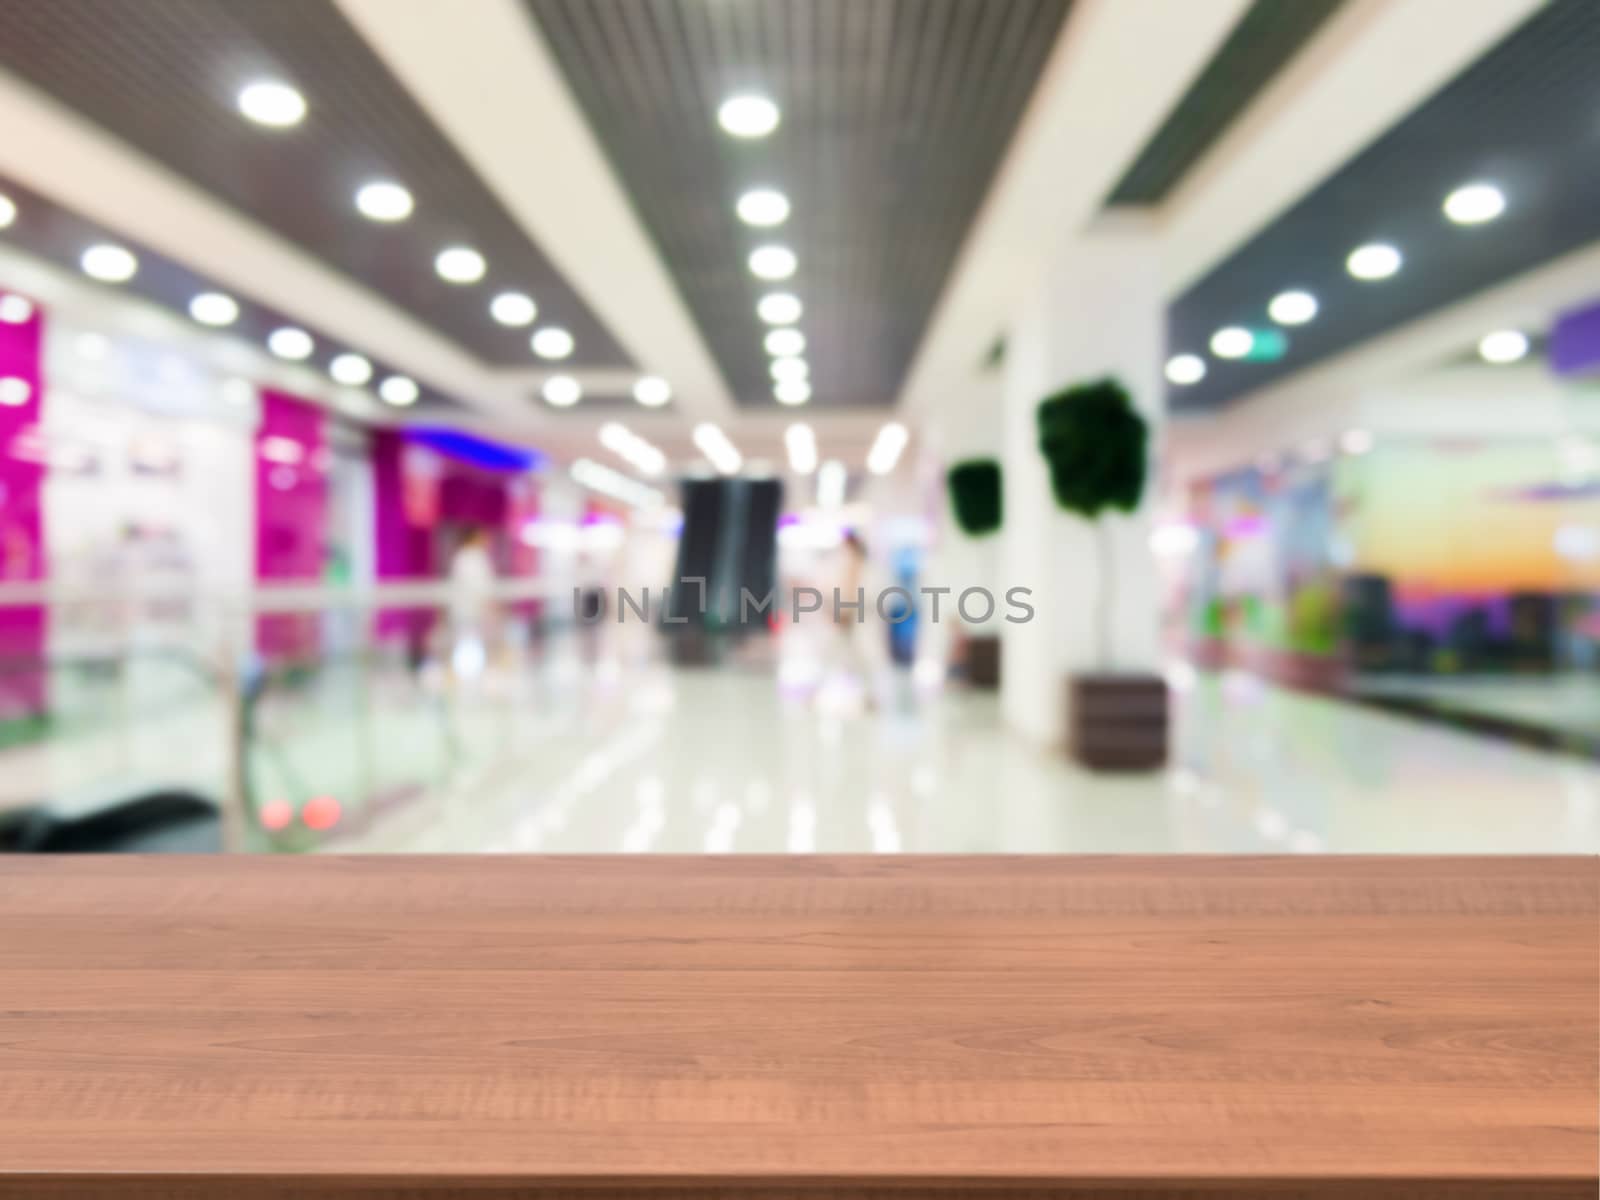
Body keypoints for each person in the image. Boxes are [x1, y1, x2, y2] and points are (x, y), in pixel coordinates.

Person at [447, 527, 497, 678]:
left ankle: (470, 674)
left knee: (471, 643)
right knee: (470, 643)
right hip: (470, 611)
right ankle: (469, 675)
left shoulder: (462, 558)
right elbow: (482, 586)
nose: (485, 540)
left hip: (469, 612)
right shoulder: (471, 558)